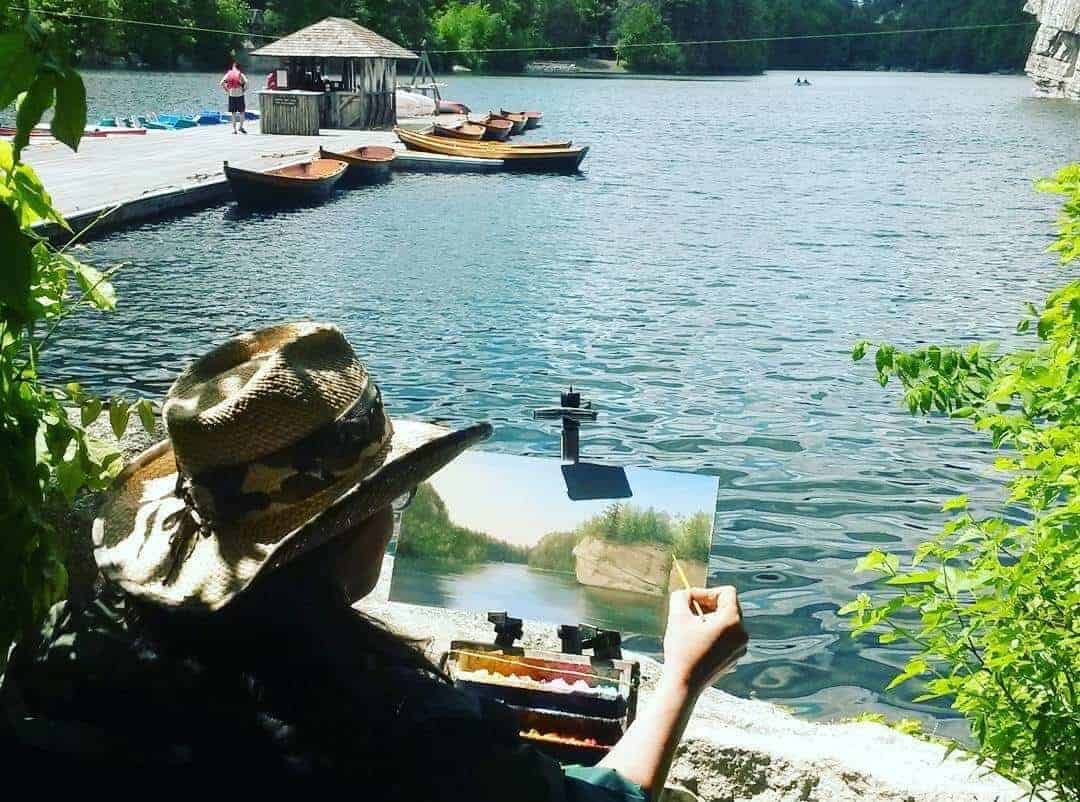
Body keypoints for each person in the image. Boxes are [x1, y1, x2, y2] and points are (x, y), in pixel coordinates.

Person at [0, 322, 749, 797]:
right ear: (343, 530)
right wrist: (684, 676)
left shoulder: (66, 645)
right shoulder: (404, 733)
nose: (393, 516)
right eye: (384, 497)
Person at [220, 60, 248, 134]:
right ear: (239, 68)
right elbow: (247, 82)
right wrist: (244, 90)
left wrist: (227, 90)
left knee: (233, 113)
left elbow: (221, 83)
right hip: (239, 94)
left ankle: (234, 130)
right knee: (242, 112)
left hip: (231, 94)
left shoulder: (228, 74)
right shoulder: (240, 74)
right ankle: (241, 127)